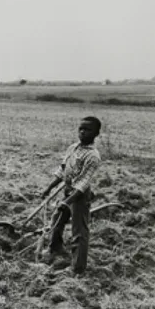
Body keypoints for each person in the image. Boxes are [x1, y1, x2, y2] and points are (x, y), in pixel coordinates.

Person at [41, 116, 102, 274]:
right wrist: (49, 188)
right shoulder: (73, 148)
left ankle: (77, 268)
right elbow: (62, 170)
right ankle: (55, 248)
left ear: (96, 133)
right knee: (57, 220)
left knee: (79, 231)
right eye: (81, 129)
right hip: (68, 191)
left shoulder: (93, 156)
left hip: (79, 196)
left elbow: (82, 184)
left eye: (87, 130)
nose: (82, 132)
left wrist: (67, 202)